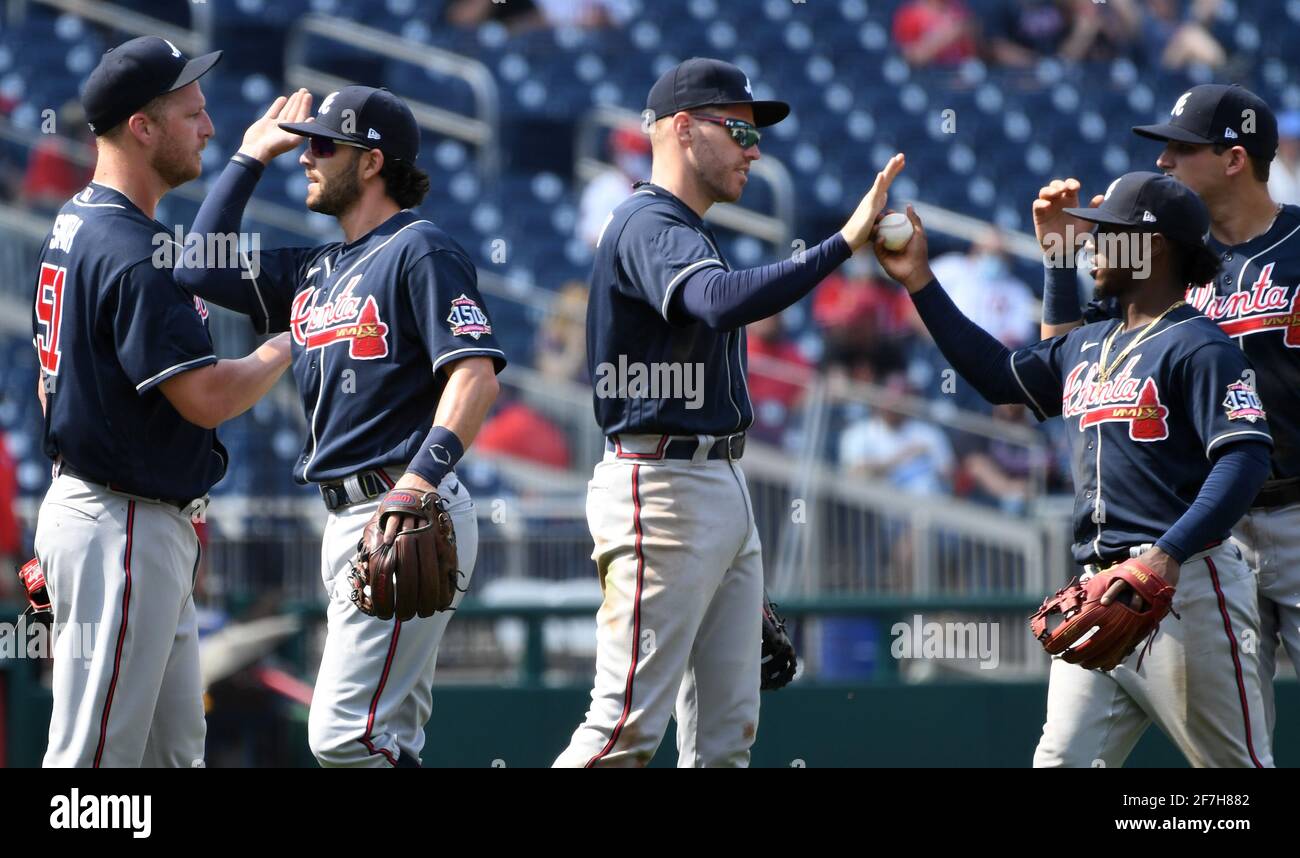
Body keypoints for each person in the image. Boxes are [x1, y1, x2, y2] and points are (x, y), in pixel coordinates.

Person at [554, 57, 904, 767]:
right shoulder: (648, 222)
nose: (755, 149)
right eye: (739, 130)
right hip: (661, 486)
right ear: (683, 129)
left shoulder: (680, 227)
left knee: (724, 740)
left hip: (714, 484)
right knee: (622, 732)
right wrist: (841, 244)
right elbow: (717, 301)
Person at [879, 171, 1274, 767]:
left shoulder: (1201, 346)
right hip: (1097, 590)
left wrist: (1165, 555)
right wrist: (920, 282)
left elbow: (1245, 458)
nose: (1091, 243)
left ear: (1154, 246)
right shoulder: (1090, 343)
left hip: (1183, 586)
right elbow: (998, 376)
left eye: (1106, 233)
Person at [175, 86, 505, 767]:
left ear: (373, 161)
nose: (306, 157)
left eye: (323, 144)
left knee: (342, 737)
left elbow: (475, 376)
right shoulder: (313, 270)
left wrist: (418, 484)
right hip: (347, 519)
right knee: (387, 736)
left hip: (401, 506)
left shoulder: (420, 249)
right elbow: (197, 265)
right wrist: (248, 157)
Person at [33, 37, 293, 767]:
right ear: (142, 127)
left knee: (169, 759)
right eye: (192, 112)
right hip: (119, 526)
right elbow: (206, 398)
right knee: (92, 765)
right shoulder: (129, 248)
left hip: (120, 518)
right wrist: (290, 338)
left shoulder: (77, 222)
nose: (208, 127)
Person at [1039, 84, 1300, 745]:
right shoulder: (1165, 264)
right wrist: (1061, 261)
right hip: (1211, 532)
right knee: (1236, 745)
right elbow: (1065, 361)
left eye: (1181, 149)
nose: (1164, 163)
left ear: (1234, 158)